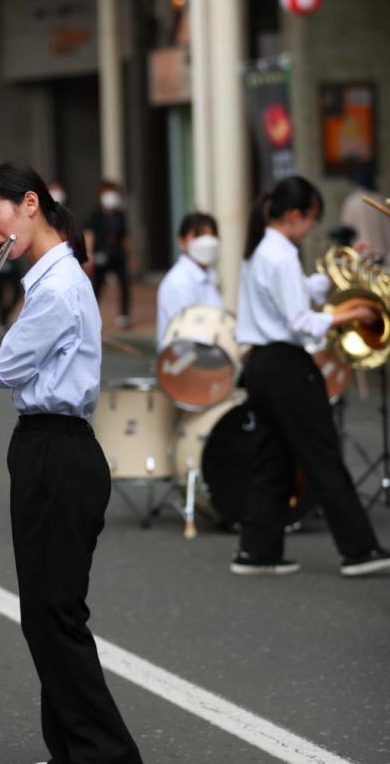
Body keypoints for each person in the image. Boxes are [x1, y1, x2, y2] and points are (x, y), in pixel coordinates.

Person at [0, 161, 144, 764]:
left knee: (53, 609)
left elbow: (7, 371)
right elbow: (31, 368)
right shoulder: (49, 278)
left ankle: (103, 752)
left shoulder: (58, 284)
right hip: (47, 447)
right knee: (44, 606)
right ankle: (69, 745)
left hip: (58, 452)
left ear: (29, 204)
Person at [232, 175, 390, 577]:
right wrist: (351, 312)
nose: (311, 230)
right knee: (322, 454)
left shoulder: (260, 250)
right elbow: (301, 320)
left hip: (261, 366)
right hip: (286, 366)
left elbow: (300, 291)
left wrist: (348, 259)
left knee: (274, 459)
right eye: (311, 220)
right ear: (296, 215)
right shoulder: (281, 254)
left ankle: (257, 551)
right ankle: (360, 550)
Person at [156, 211, 223, 346]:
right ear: (182, 241)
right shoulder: (179, 282)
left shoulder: (209, 275)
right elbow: (188, 332)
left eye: (211, 236)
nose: (207, 242)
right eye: (199, 236)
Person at [84, 182, 130, 327]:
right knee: (98, 285)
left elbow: (125, 236)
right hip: (101, 255)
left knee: (124, 284)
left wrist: (130, 253)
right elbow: (89, 234)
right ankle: (92, 315)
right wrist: (89, 256)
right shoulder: (96, 215)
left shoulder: (120, 215)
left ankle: (124, 315)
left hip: (118, 254)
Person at [339, 166, 390, 267]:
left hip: (360, 255)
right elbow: (387, 230)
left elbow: (346, 231)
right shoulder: (379, 200)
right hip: (380, 254)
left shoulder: (351, 202)